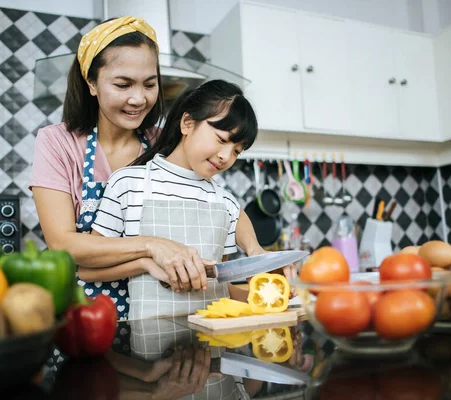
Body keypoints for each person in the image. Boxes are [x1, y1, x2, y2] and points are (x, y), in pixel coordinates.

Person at [28, 16, 277, 322]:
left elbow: (223, 203)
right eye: (123, 84)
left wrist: (255, 249)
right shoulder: (58, 143)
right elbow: (63, 245)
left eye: (150, 84)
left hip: (163, 319)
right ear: (91, 83)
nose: (139, 98)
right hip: (85, 316)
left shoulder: (163, 143)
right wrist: (153, 247)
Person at [91, 79, 257, 320]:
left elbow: (219, 288)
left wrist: (271, 297)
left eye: (237, 151)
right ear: (187, 123)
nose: (225, 156)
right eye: (221, 140)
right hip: (148, 347)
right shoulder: (129, 183)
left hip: (213, 346)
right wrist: (146, 263)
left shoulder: (226, 204)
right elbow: (90, 269)